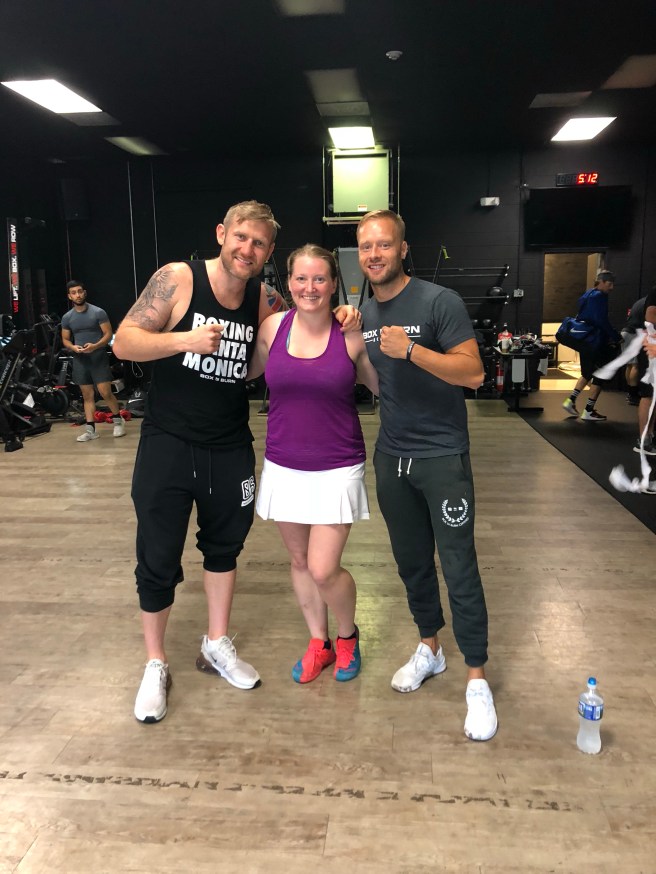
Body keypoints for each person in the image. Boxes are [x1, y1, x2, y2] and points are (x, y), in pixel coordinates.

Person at [112, 201, 360, 724]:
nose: (248, 249)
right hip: (168, 442)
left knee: (224, 549)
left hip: (228, 445)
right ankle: (155, 663)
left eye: (259, 243)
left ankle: (216, 643)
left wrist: (340, 315)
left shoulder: (265, 300)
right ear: (222, 233)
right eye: (241, 237)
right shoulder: (178, 279)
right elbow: (124, 342)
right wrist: (184, 339)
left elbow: (302, 320)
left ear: (269, 253)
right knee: (158, 554)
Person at [356, 209, 497, 742]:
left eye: (383, 244)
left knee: (458, 566)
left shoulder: (440, 301)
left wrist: (413, 350)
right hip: (393, 456)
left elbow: (474, 374)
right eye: (366, 246)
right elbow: (379, 381)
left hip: (442, 457)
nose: (374, 254)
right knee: (412, 562)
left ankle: (476, 679)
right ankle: (430, 647)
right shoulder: (366, 311)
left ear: (402, 248)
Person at [249, 244, 379, 684]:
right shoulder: (272, 328)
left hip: (337, 464)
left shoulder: (350, 334)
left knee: (324, 568)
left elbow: (384, 387)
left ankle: (348, 636)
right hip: (284, 462)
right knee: (301, 561)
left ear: (334, 283)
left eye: (319, 278)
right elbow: (246, 372)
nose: (310, 287)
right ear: (289, 283)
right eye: (301, 278)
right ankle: (318, 642)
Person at [61, 280, 125, 441]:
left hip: (98, 357)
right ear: (69, 296)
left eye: (79, 291)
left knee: (105, 392)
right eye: (74, 293)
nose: (77, 295)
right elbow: (65, 339)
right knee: (87, 395)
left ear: (84, 293)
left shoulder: (98, 312)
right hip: (80, 359)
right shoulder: (67, 317)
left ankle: (118, 421)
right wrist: (73, 347)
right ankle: (91, 431)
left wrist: (95, 346)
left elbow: (108, 334)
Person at [561, 270, 621, 421]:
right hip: (594, 341)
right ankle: (588, 410)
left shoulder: (588, 294)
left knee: (587, 373)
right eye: (609, 284)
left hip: (585, 341)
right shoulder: (600, 296)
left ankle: (570, 401)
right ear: (601, 282)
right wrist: (615, 336)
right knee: (600, 374)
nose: (612, 287)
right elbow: (601, 320)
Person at [621, 295, 647, 406]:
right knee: (635, 365)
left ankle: (630, 393)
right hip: (632, 334)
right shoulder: (649, 303)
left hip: (626, 332)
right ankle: (633, 395)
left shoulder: (640, 302)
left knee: (630, 364)